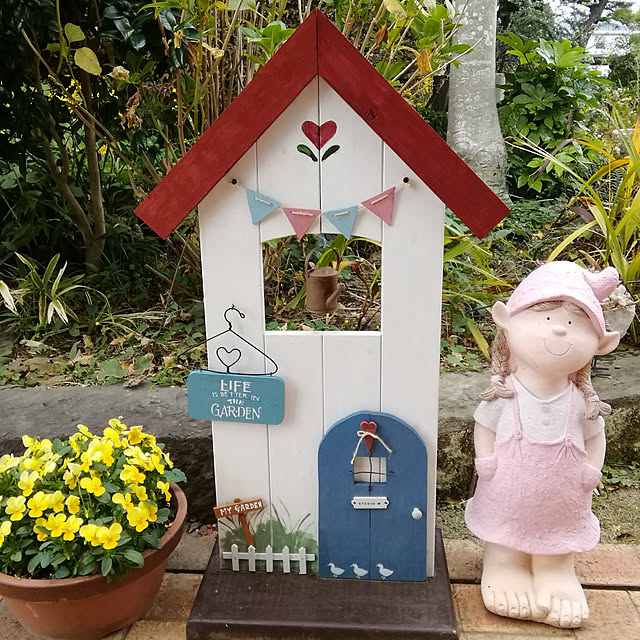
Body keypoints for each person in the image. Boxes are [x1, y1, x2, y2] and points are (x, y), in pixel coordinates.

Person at [465, 261, 620, 629]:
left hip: (563, 496)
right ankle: (505, 562)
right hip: (508, 491)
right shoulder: (504, 394)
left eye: (574, 322)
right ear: (506, 321)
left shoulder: (581, 402)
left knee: (558, 531)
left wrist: (592, 469)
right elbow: (484, 427)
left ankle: (555, 568)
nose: (559, 329)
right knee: (506, 526)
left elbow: (595, 435)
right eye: (546, 316)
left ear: (601, 344)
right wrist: (485, 461)